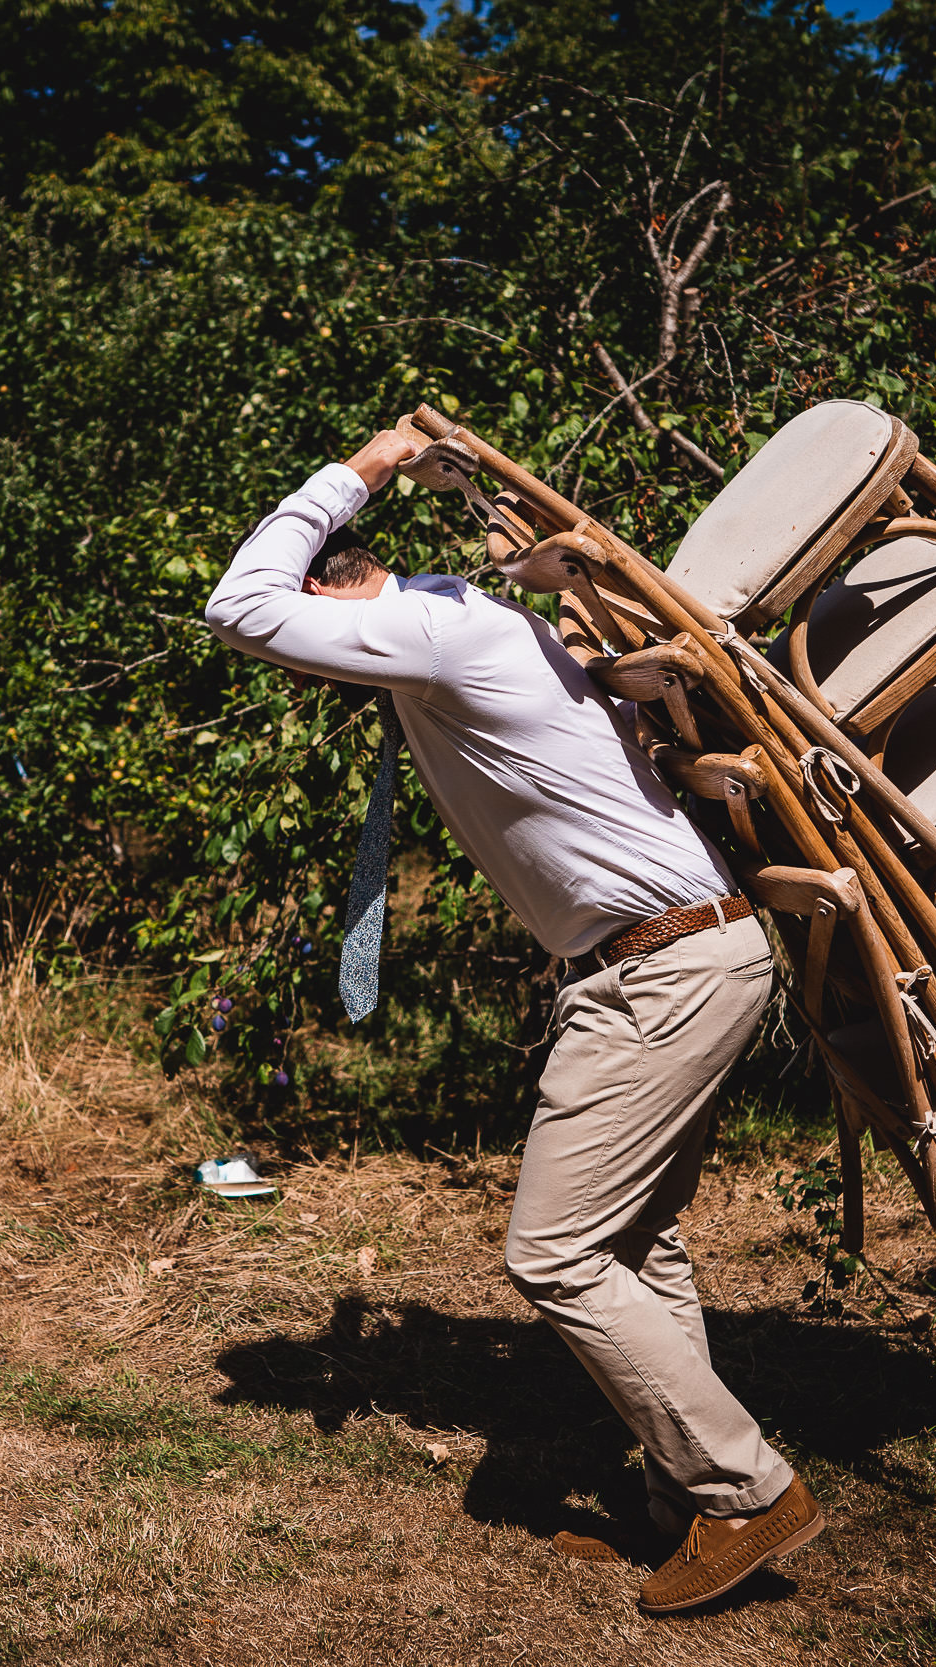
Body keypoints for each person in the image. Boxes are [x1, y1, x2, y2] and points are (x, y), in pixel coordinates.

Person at [201, 427, 818, 1615]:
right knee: (637, 1241)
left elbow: (241, 601)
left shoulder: (431, 631)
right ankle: (685, 1505)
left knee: (555, 1250)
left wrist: (363, 463)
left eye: (311, 635)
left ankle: (745, 1488)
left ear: (340, 584)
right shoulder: (461, 620)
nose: (303, 666)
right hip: (678, 956)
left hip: (665, 969)